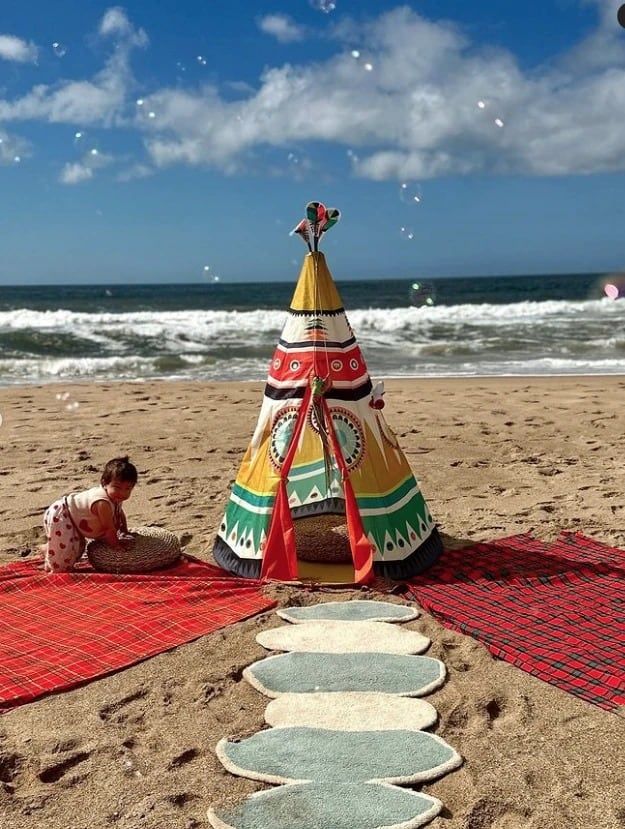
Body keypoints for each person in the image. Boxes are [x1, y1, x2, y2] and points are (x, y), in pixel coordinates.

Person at [42, 456, 137, 572]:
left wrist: (124, 530)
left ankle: (51, 549)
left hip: (75, 519)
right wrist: (116, 545)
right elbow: (108, 528)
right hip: (62, 516)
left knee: (77, 549)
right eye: (117, 487)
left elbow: (119, 513)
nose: (122, 493)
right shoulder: (102, 503)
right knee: (62, 564)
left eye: (128, 489)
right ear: (104, 483)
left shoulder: (115, 497)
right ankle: (51, 555)